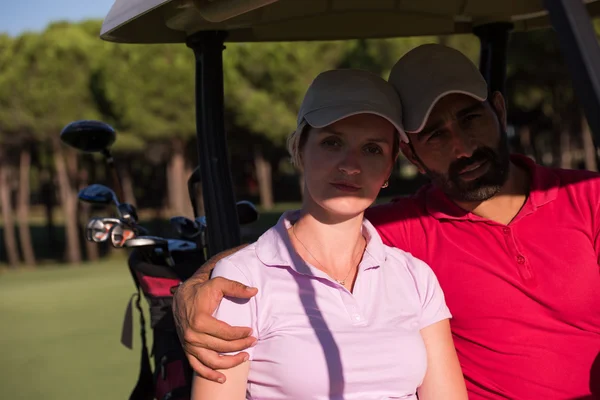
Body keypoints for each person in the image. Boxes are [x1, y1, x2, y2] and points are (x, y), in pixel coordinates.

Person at [174, 44, 600, 399]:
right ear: (411, 156)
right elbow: (302, 241)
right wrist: (193, 289)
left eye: (470, 118)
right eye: (435, 134)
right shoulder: (405, 229)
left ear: (500, 113)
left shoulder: (589, 197)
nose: (462, 147)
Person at [190, 68, 467, 399]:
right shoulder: (243, 278)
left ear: (390, 167)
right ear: (300, 149)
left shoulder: (415, 277)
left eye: (372, 149)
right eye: (332, 142)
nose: (351, 165)